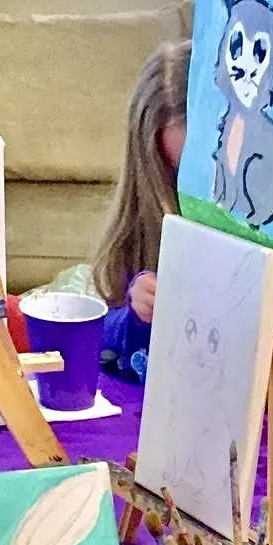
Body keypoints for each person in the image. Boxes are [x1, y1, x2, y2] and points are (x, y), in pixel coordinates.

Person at [89, 39, 190, 379]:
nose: (190, 192)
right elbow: (101, 331)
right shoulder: (144, 220)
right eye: (175, 173)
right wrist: (137, 312)